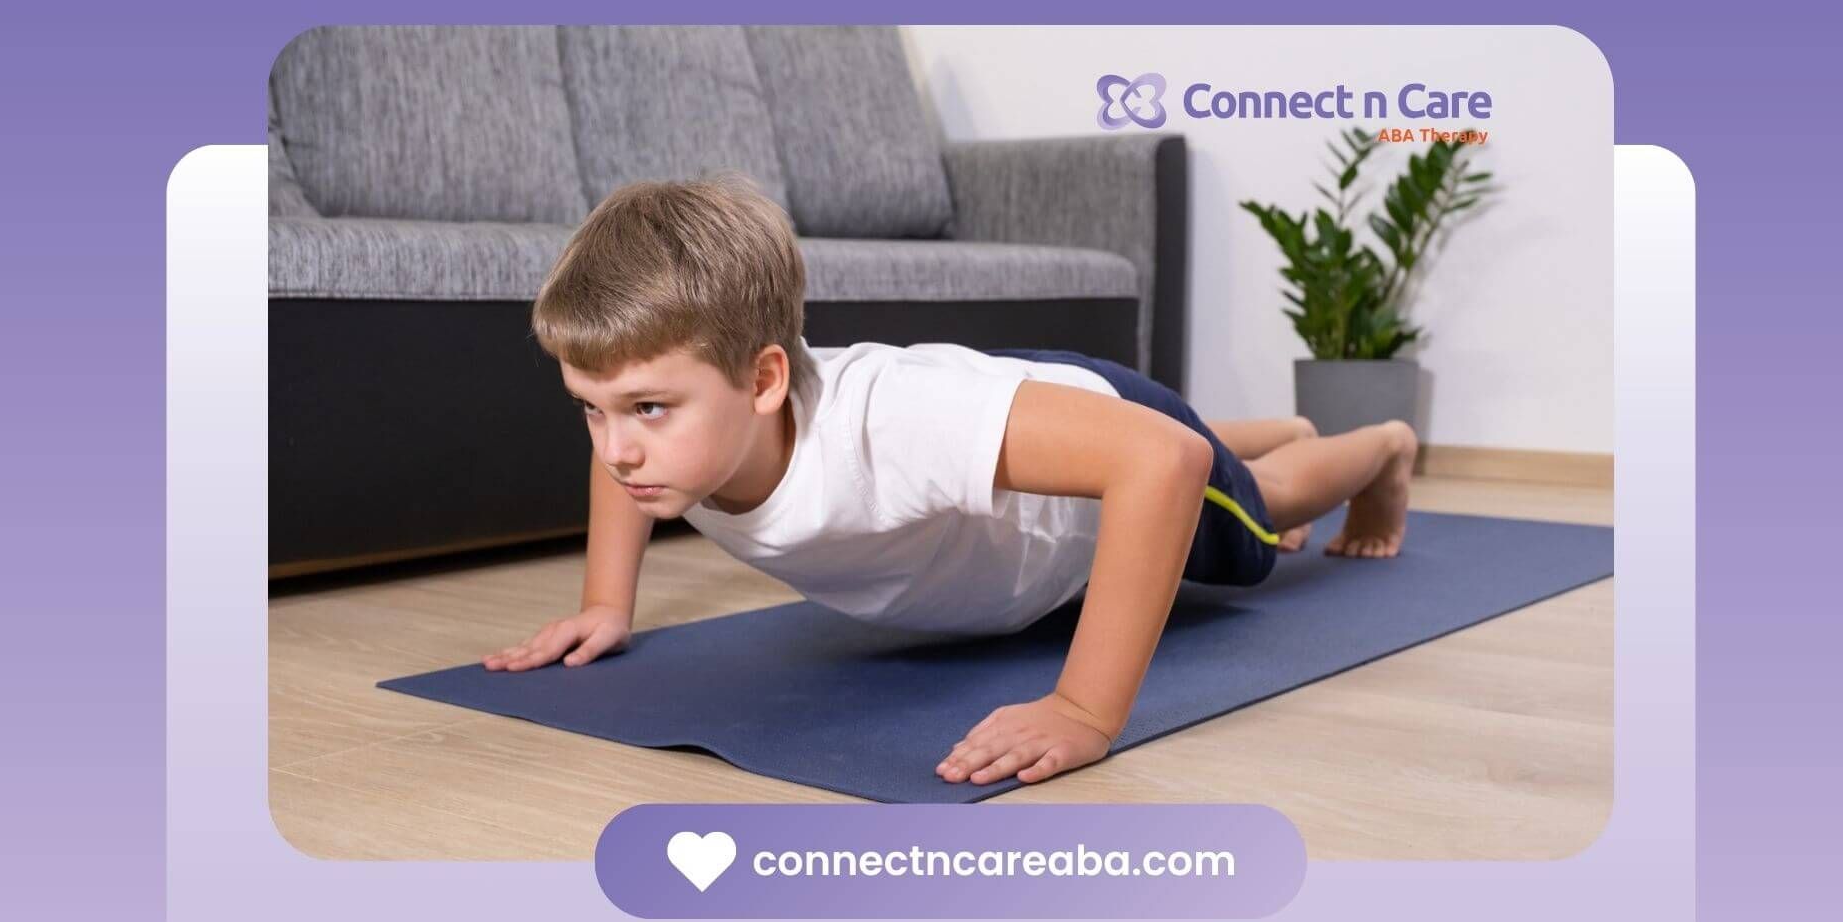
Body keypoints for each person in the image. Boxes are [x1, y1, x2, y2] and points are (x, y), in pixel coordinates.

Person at [482, 173, 1417, 788]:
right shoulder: (667, 435)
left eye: (645, 411)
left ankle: (1376, 446)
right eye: (590, 409)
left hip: (1099, 451)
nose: (615, 449)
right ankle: (1269, 429)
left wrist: (1083, 708)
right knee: (1103, 440)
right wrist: (608, 601)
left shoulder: (887, 427)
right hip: (994, 410)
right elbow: (624, 449)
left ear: (764, 380)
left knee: (1257, 525)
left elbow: (1162, 461)